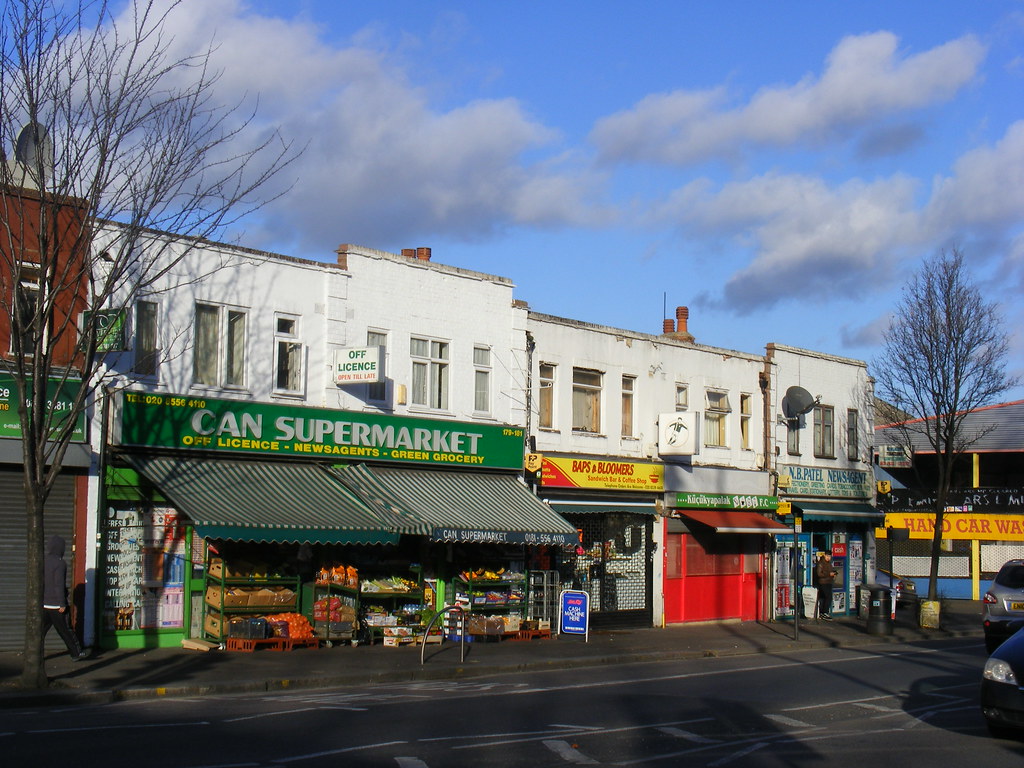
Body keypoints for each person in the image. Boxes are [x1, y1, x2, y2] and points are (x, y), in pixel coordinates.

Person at [43, 535, 88, 661]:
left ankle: (33, 654)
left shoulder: (43, 561)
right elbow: (59, 585)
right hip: (57, 605)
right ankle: (76, 653)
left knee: (40, 632)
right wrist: (62, 603)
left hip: (44, 604)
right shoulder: (60, 563)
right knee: (66, 631)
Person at [813, 553, 837, 620]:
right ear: (824, 556)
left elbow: (829, 571)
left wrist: (833, 574)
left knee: (825, 598)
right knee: (828, 597)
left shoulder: (829, 563)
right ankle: (824, 612)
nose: (828, 557)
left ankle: (822, 612)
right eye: (827, 556)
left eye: (829, 556)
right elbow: (819, 574)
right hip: (823, 583)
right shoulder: (820, 563)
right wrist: (829, 574)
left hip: (828, 582)